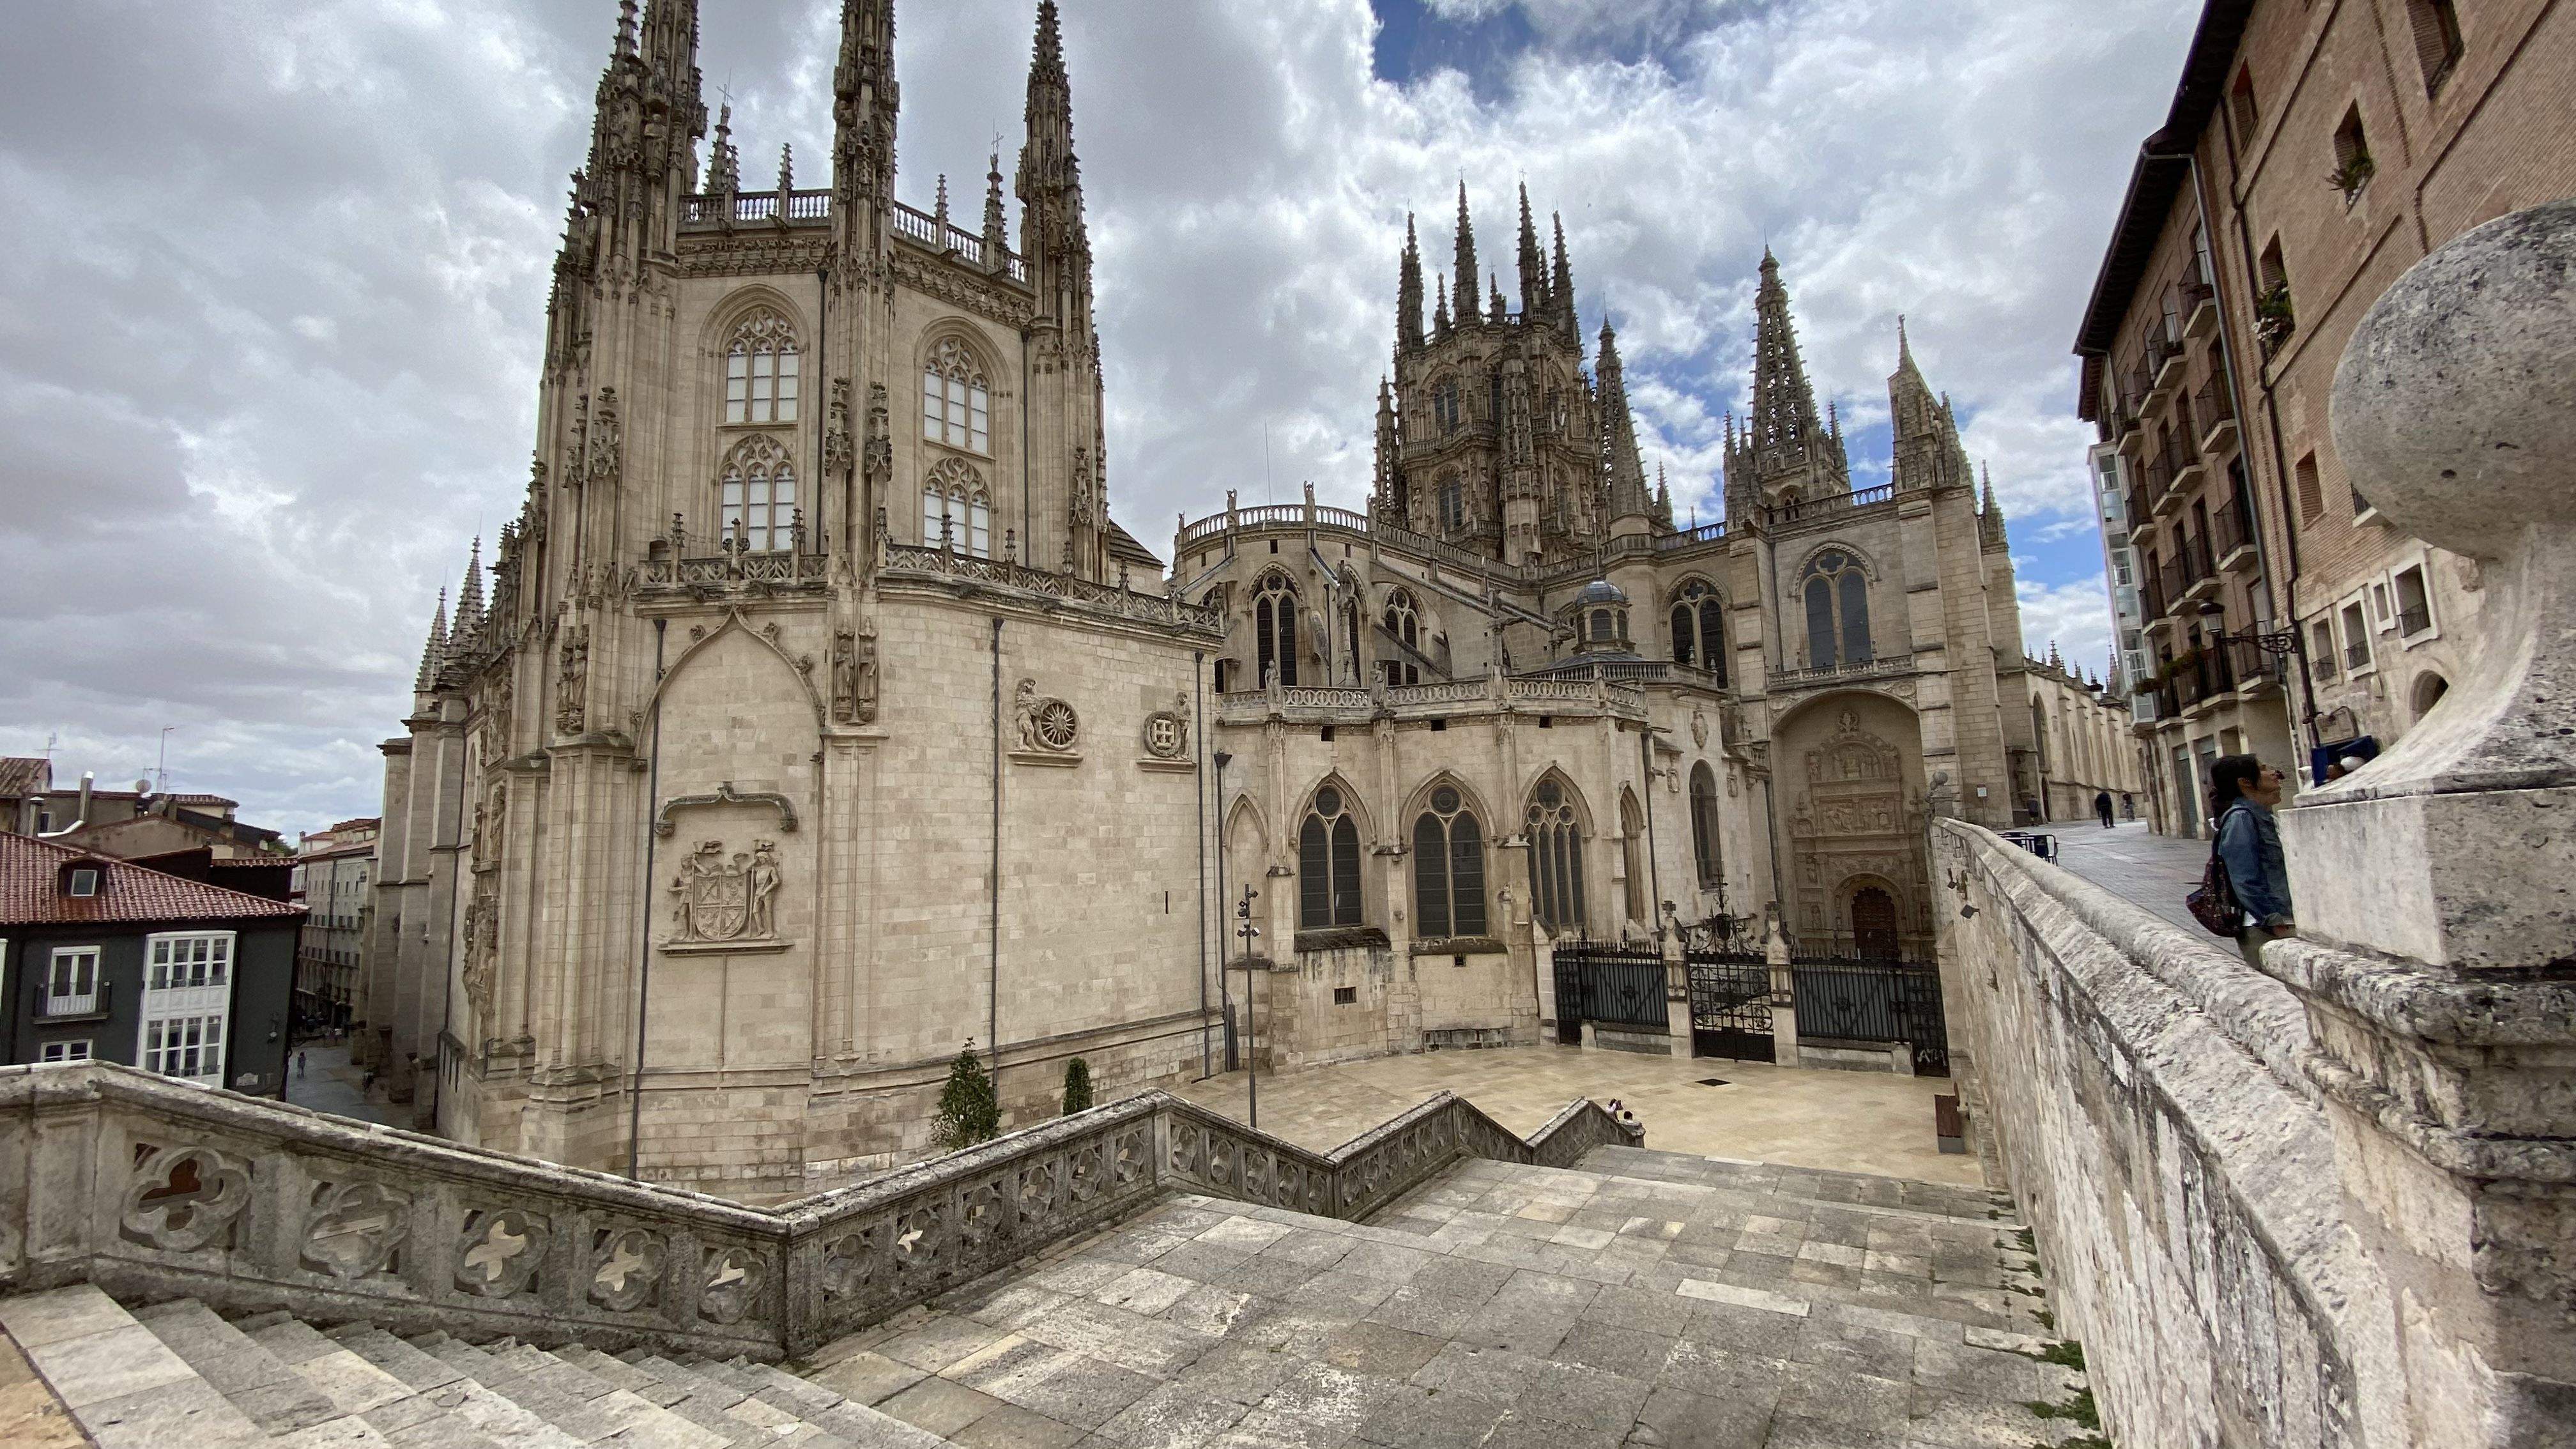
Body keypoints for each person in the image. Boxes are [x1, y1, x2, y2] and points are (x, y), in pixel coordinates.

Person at [2210, 755, 2294, 970]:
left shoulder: (2263, 816)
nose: (2274, 773)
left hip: (2284, 918)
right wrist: (2273, 921)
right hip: (2266, 926)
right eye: (2263, 769)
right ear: (2245, 782)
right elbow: (2244, 879)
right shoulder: (2241, 819)